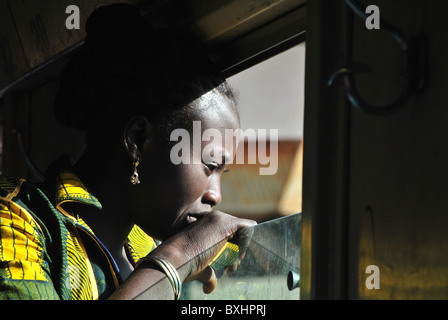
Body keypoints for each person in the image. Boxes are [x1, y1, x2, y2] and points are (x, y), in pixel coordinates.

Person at [0, 3, 255, 300]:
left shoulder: (143, 245)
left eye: (223, 173)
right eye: (209, 165)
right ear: (136, 140)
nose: (216, 195)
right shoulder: (17, 218)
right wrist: (180, 255)